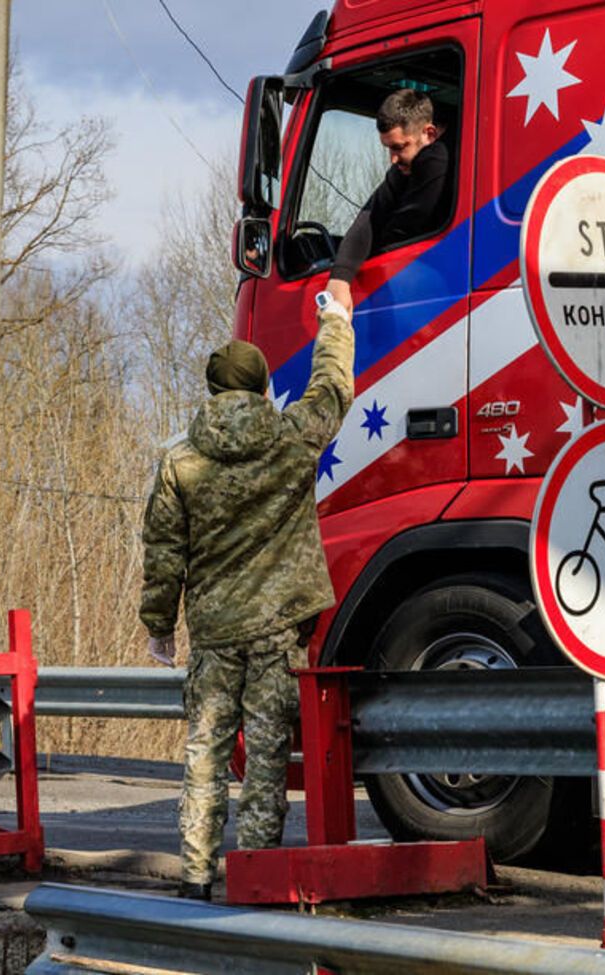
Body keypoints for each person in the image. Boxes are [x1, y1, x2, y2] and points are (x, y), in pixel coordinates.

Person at [141, 296, 355, 901]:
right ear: (264, 387)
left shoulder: (179, 461)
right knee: (264, 757)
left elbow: (163, 551)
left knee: (204, 751)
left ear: (210, 390)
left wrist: (159, 624)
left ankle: (195, 873)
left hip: (213, 631)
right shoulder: (291, 438)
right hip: (277, 626)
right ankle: (257, 871)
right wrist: (334, 323)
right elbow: (332, 389)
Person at [327, 88, 449, 309]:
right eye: (387, 148)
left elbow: (400, 233)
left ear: (429, 134)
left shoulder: (436, 157)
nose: (392, 159)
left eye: (399, 147)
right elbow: (368, 220)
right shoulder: (403, 169)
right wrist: (340, 279)